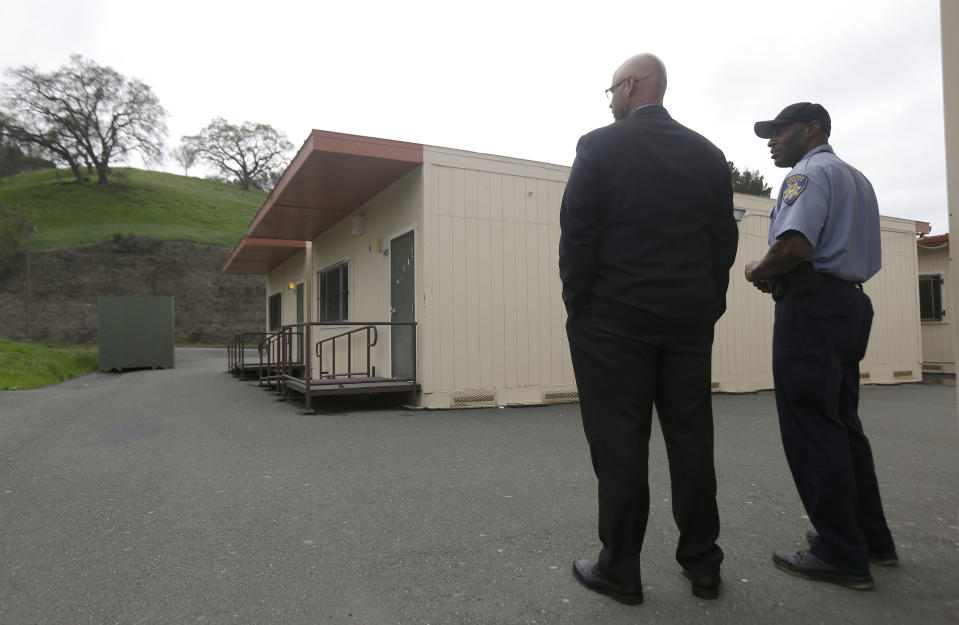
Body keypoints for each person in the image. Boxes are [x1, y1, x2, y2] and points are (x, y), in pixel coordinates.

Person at [559, 53, 738, 605]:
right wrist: (706, 304)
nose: (610, 100)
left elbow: (578, 235)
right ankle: (703, 565)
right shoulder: (709, 156)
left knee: (620, 446)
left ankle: (620, 569)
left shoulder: (598, 146)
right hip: (687, 323)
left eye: (611, 89)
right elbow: (722, 243)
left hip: (613, 322)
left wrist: (579, 306)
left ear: (632, 85)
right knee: (692, 440)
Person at [745, 102, 897, 591]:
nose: (772, 141)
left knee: (812, 427)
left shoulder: (806, 175)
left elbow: (794, 244)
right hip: (849, 307)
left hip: (811, 310)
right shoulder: (857, 178)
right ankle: (870, 539)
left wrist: (758, 269)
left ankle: (839, 551)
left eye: (780, 131)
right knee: (842, 423)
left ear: (812, 129)